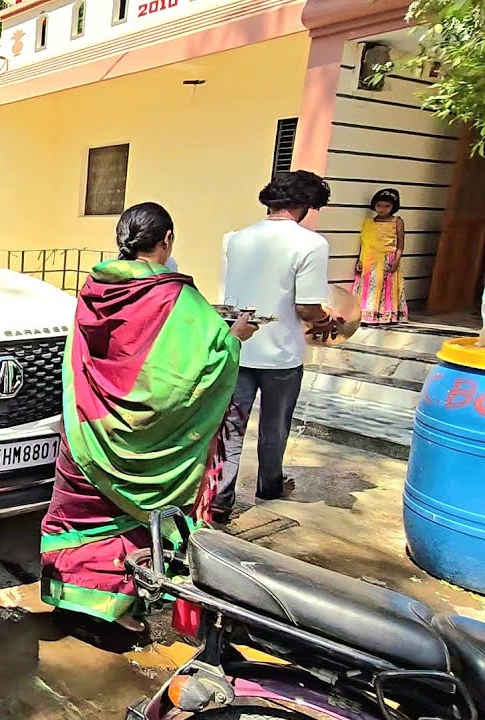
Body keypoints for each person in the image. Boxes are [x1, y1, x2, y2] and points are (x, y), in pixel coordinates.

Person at [39, 203, 254, 630]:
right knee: (127, 524)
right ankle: (115, 611)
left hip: (89, 427)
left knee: (80, 516)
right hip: (142, 442)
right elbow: (188, 379)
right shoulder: (176, 298)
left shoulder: (96, 287)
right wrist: (234, 339)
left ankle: (69, 597)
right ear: (167, 239)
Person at [217, 171, 340, 518]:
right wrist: (326, 319)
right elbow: (306, 306)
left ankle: (220, 498)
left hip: (237, 346)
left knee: (231, 426)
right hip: (282, 354)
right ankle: (269, 487)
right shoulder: (311, 244)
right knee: (274, 427)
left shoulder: (236, 239)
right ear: (304, 205)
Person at [351, 188, 407, 325]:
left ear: (394, 207)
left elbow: (400, 245)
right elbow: (364, 242)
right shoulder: (368, 222)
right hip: (368, 260)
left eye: (387, 206)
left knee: (386, 288)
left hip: (387, 260)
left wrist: (396, 261)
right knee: (367, 288)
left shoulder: (397, 221)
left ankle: (385, 314)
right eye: (379, 205)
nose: (382, 209)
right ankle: (365, 313)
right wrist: (359, 259)